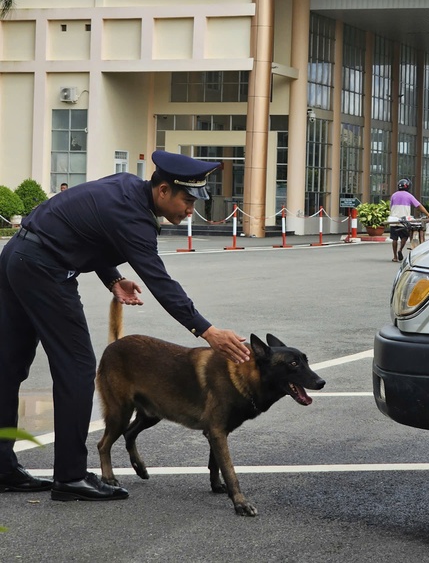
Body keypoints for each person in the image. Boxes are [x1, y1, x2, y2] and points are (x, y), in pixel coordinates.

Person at [0, 150, 250, 502]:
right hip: (44, 270)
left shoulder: (126, 189)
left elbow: (89, 229)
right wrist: (207, 331)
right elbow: (160, 282)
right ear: (163, 191)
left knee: (7, 369)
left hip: (17, 257)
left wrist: (112, 277)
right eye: (187, 200)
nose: (191, 209)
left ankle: (3, 468)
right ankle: (70, 477)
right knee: (77, 367)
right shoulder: (135, 217)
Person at [388, 178, 429, 263]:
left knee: (394, 239)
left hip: (393, 219)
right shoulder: (409, 195)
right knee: (404, 237)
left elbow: (390, 207)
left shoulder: (394, 195)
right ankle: (400, 250)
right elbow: (418, 205)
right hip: (404, 220)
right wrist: (427, 214)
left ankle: (395, 257)